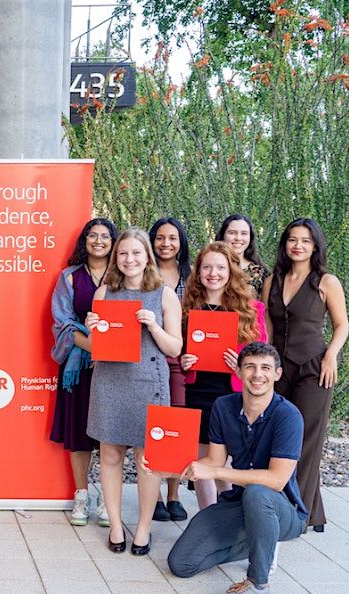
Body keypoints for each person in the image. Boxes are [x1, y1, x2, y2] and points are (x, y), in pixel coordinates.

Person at [161, 343, 308, 594]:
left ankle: (258, 584)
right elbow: (213, 461)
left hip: (283, 511)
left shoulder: (288, 416)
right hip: (238, 505)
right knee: (182, 564)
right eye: (250, 367)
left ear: (277, 374)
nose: (257, 374)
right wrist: (165, 467)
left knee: (258, 492)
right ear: (238, 372)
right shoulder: (224, 406)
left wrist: (216, 473)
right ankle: (262, 540)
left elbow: (277, 480)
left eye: (265, 368)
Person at [85, 228, 182, 555]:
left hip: (149, 383)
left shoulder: (165, 295)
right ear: (116, 258)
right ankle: (115, 525)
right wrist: (93, 329)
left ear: (147, 257)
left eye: (136, 253)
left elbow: (175, 348)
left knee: (146, 460)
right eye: (123, 253)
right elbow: (96, 347)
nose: (130, 259)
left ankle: (143, 528)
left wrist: (153, 325)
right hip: (110, 381)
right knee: (110, 455)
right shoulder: (104, 293)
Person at [262, 218, 348, 532]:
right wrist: (265, 365)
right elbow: (268, 327)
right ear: (285, 244)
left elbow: (342, 325)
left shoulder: (326, 281)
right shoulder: (272, 281)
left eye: (305, 241)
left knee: (306, 440)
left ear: (315, 246)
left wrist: (331, 356)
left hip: (314, 369)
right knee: (281, 436)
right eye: (292, 239)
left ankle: (294, 514)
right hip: (279, 369)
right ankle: (313, 512)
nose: (298, 246)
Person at [179, 242, 267, 509]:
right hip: (197, 392)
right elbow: (176, 347)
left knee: (225, 466)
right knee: (201, 460)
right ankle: (207, 517)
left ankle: (229, 516)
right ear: (198, 272)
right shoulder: (188, 307)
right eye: (207, 267)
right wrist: (183, 360)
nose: (213, 273)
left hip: (232, 395)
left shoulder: (251, 309)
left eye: (220, 267)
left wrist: (241, 365)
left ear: (231, 271)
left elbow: (261, 354)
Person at [50, 218, 118, 527]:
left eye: (105, 236)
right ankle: (81, 495)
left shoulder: (122, 276)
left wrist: (106, 350)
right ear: (85, 240)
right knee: (78, 431)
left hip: (114, 366)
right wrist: (93, 346)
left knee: (109, 433)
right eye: (93, 235)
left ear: (113, 242)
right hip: (77, 364)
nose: (99, 241)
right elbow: (62, 322)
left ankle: (107, 497)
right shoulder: (69, 277)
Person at [149, 217, 192, 523]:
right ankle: (155, 496)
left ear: (181, 242)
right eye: (160, 237)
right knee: (153, 426)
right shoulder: (143, 272)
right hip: (149, 356)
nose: (166, 243)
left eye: (172, 238)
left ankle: (174, 493)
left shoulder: (191, 275)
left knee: (178, 426)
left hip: (182, 357)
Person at [217, 214, 269, 295]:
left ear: (250, 237)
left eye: (244, 233)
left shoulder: (260, 273)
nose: (238, 238)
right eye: (232, 233)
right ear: (223, 235)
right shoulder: (211, 268)